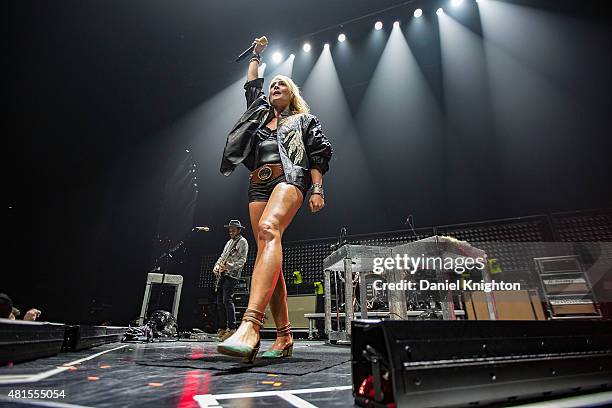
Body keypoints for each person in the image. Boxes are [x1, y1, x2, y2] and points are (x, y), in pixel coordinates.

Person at [218, 36, 333, 362]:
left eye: (282, 84)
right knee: (268, 252)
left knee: (269, 230)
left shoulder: (303, 120)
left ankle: (250, 326)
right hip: (258, 184)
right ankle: (284, 337)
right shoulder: (259, 115)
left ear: (293, 93)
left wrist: (317, 189)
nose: (275, 87)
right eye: (273, 85)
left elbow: (317, 156)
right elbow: (253, 82)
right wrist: (255, 55)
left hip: (291, 177)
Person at [214, 220, 249, 341]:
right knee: (219, 302)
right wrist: (217, 266)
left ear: (239, 230)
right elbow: (222, 256)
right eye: (230, 229)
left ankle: (232, 328)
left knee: (227, 300)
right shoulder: (229, 242)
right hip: (223, 274)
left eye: (233, 229)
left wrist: (229, 265)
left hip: (232, 275)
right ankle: (222, 328)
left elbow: (242, 260)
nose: (231, 231)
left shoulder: (242, 242)